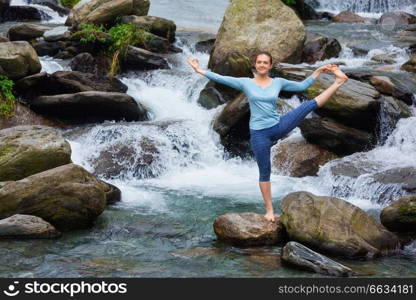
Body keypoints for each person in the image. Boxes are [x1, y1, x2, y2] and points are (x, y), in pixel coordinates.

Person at [186, 51, 349, 222]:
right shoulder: (246, 83)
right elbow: (220, 78)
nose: (262, 65)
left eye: (265, 62)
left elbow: (302, 87)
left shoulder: (278, 82)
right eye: (259, 62)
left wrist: (318, 71)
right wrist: (199, 70)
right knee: (265, 173)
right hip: (259, 134)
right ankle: (269, 210)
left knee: (308, 106)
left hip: (278, 125)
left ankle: (338, 82)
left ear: (270, 66)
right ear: (255, 65)